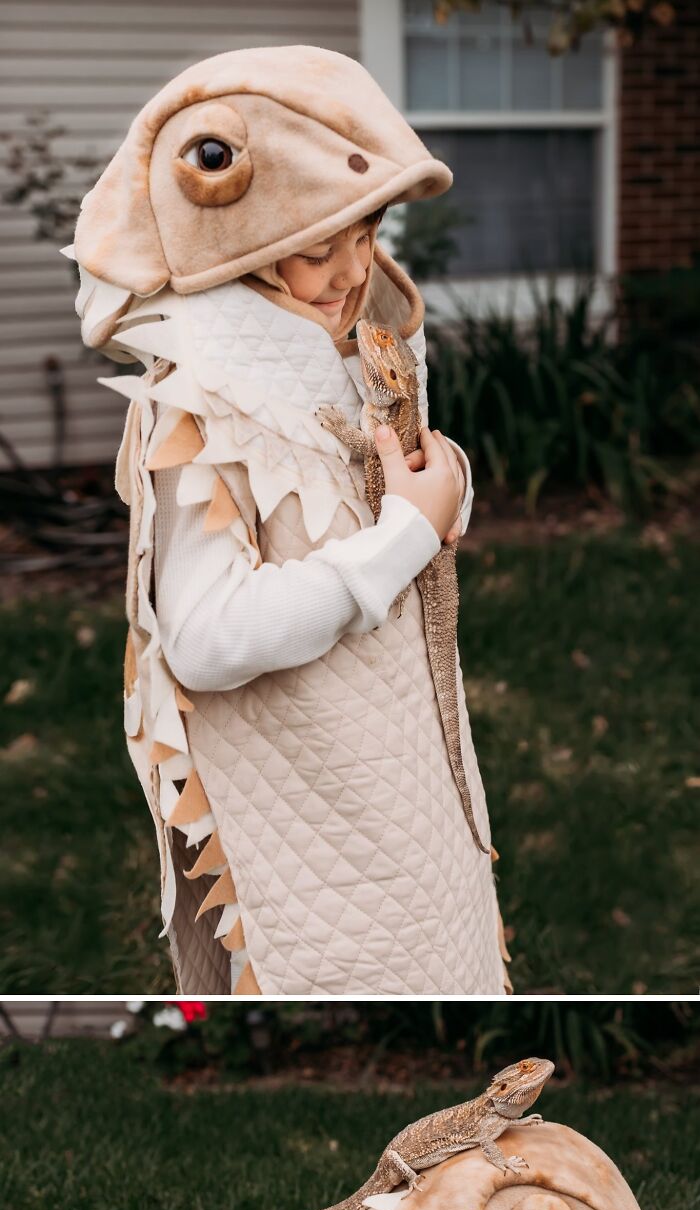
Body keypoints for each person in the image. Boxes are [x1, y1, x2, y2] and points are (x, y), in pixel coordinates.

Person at [64, 45, 512, 996]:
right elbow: (205, 639)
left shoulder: (352, 348)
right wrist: (405, 538)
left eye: (367, 233)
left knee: (449, 935)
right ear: (247, 242)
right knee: (368, 960)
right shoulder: (205, 401)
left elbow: (396, 493)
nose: (351, 270)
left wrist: (442, 491)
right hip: (317, 788)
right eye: (317, 248)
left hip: (401, 751)